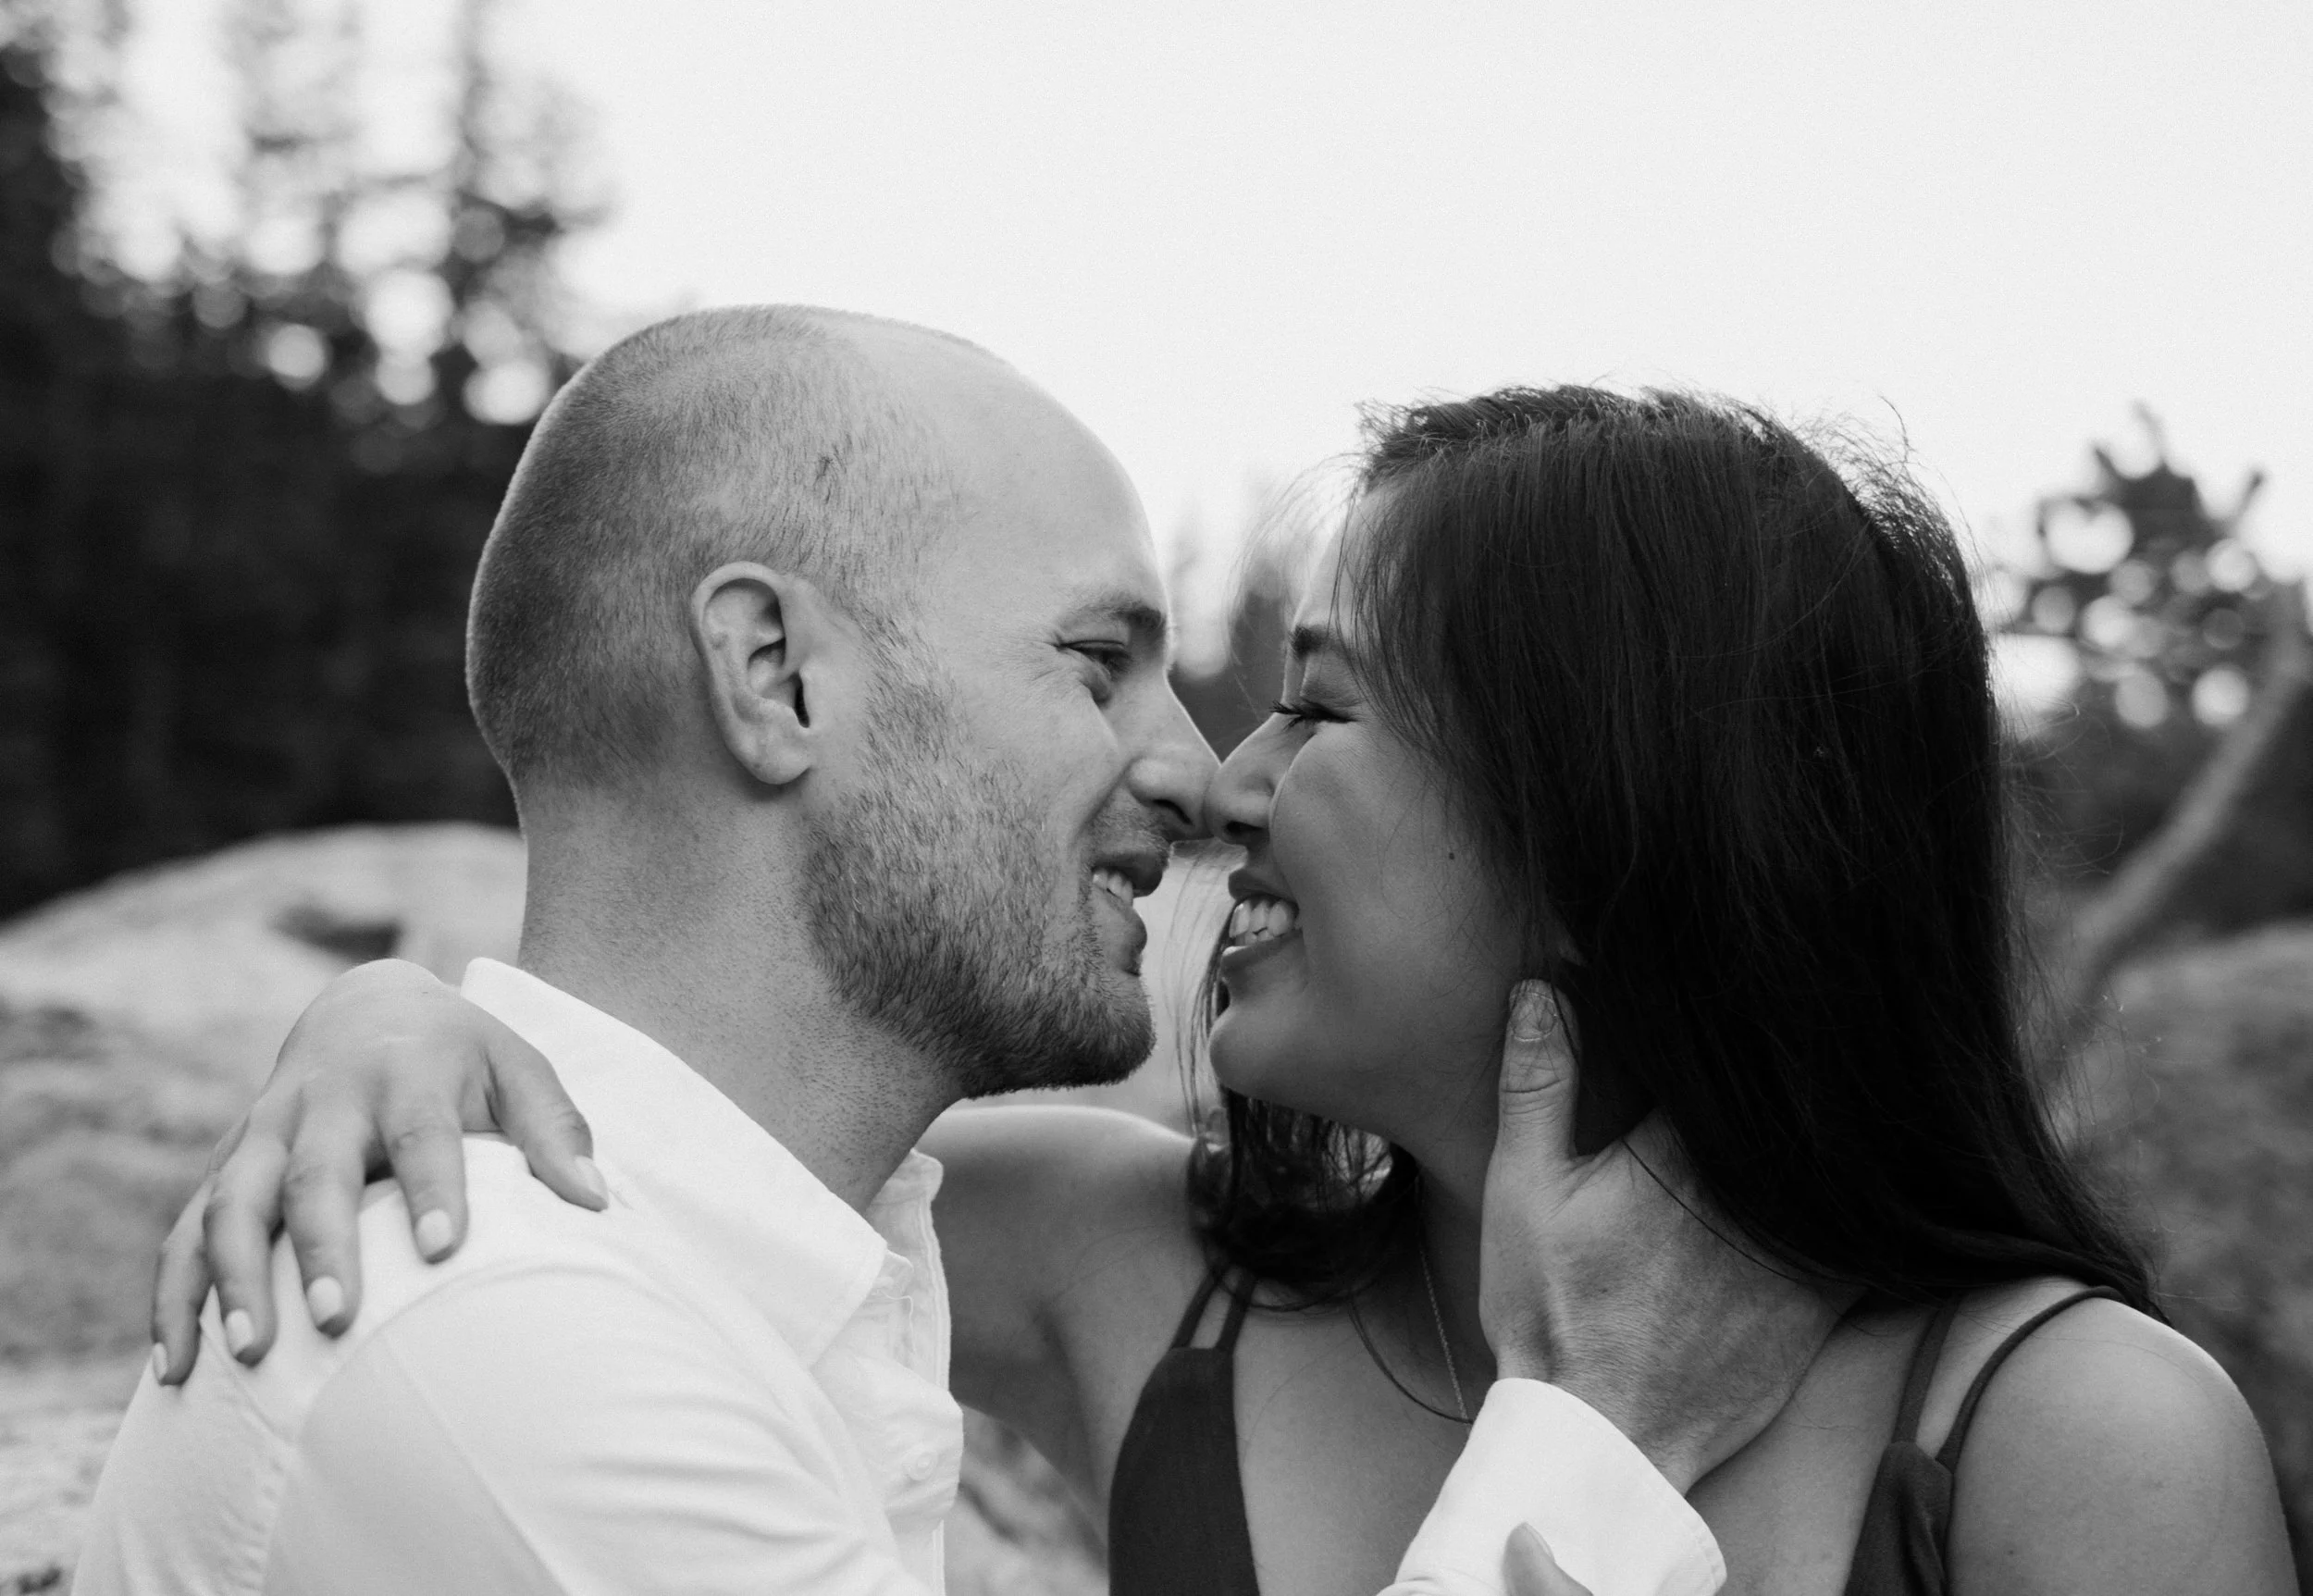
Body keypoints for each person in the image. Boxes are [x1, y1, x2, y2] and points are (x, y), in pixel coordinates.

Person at [146, 383, 2295, 1594]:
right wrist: (423, 1020)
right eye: (1114, 670)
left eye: (1318, 714)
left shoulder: (2066, 1441)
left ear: (1606, 818)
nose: (1214, 788)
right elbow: (680, 1130)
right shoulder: (1121, 1258)